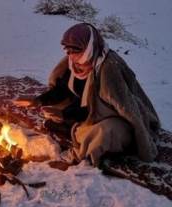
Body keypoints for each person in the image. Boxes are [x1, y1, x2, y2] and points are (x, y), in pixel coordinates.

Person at [14, 23, 160, 167]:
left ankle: (80, 148)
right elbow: (63, 89)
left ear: (89, 47)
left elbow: (114, 108)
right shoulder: (74, 61)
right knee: (52, 108)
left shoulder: (109, 67)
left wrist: (65, 115)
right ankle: (76, 129)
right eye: (68, 50)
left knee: (106, 132)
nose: (70, 54)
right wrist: (39, 101)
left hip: (115, 117)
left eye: (75, 50)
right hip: (86, 110)